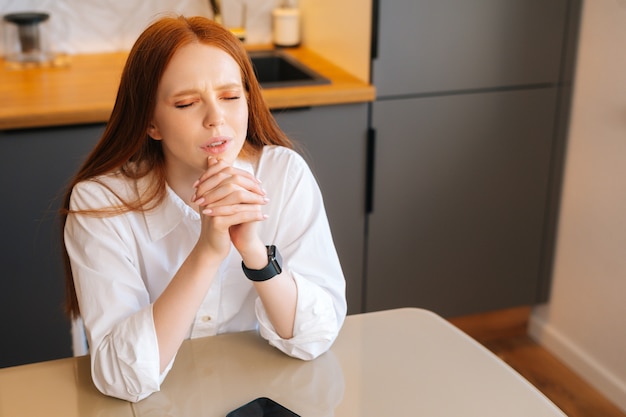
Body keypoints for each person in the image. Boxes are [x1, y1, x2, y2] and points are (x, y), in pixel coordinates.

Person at [60, 15, 346, 402]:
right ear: (150, 123)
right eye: (187, 103)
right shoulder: (99, 203)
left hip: (265, 397)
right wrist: (207, 251)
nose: (216, 119)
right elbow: (121, 377)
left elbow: (317, 337)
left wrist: (256, 256)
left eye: (230, 97)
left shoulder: (284, 174)